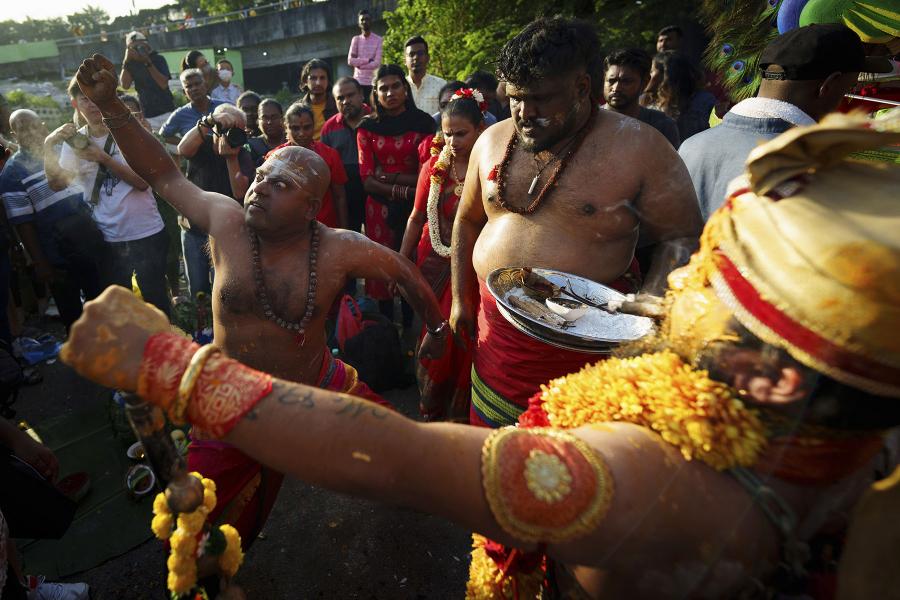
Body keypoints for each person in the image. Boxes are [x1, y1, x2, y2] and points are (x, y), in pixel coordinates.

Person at [61, 114, 900, 598]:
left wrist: (169, 364)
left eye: (705, 290)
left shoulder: (635, 483)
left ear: (775, 374)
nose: (672, 297)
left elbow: (398, 459)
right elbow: (170, 173)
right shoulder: (859, 455)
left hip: (303, 385)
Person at [72, 53, 446, 547]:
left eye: (282, 185)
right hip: (232, 400)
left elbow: (404, 272)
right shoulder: (226, 221)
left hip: (316, 382)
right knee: (196, 538)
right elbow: (164, 174)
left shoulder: (339, 248)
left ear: (312, 207)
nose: (260, 189)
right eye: (262, 176)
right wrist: (111, 105)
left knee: (403, 451)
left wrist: (438, 331)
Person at [449, 17, 701, 428]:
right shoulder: (492, 139)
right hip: (495, 340)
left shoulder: (641, 147)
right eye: (515, 97)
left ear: (582, 87)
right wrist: (461, 300)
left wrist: (648, 317)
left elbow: (682, 238)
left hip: (587, 351)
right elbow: (466, 221)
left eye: (540, 99)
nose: (524, 113)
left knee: (572, 476)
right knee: (493, 460)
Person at [680, 23, 890, 220]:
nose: (849, 96)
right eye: (849, 88)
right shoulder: (810, 168)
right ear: (828, 85)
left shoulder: (691, 147)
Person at [46, 77, 170, 317]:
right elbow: (56, 185)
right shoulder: (75, 141)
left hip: (146, 231)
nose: (91, 104)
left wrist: (103, 158)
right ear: (75, 104)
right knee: (119, 311)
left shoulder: (129, 131)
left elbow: (143, 183)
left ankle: (166, 352)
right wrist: (48, 144)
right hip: (108, 238)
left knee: (156, 305)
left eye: (95, 97)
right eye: (85, 98)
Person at [399, 90, 485, 421]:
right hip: (433, 262)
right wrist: (401, 262)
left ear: (480, 128)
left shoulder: (491, 165)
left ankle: (460, 414)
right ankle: (431, 408)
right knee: (436, 332)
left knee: (464, 339)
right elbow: (416, 217)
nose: (452, 141)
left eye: (461, 133)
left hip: (472, 269)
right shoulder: (433, 168)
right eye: (447, 133)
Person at [0, 110, 101, 331]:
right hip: (57, 255)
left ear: (44, 126)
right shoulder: (12, 173)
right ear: (13, 134)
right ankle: (81, 361)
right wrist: (41, 263)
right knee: (73, 316)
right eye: (22, 128)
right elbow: (23, 224)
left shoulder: (63, 151)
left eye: (33, 125)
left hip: (90, 242)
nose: (29, 131)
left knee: (102, 304)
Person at [357, 64, 436, 322]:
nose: (390, 93)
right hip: (378, 209)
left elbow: (430, 173)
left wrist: (390, 179)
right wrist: (407, 188)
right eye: (383, 89)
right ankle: (388, 325)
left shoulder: (423, 123)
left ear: (405, 89)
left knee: (413, 263)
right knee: (381, 265)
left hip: (417, 208)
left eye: (395, 86)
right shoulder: (367, 127)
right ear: (376, 94)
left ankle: (413, 325)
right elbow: (367, 180)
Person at [176, 102, 255, 298]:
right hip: (194, 230)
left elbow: (240, 193)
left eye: (238, 130)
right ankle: (201, 327)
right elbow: (182, 149)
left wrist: (231, 158)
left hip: (225, 234)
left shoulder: (243, 155)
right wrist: (208, 121)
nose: (231, 135)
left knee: (224, 292)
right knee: (198, 290)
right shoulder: (200, 144)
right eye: (227, 129)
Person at [278, 102, 348, 229]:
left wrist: (343, 230)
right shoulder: (276, 157)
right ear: (285, 127)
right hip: (287, 227)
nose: (301, 133)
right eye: (295, 128)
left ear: (314, 126)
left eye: (306, 127)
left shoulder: (330, 155)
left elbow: (340, 196)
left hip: (325, 226)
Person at [322, 77, 371, 236]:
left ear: (361, 95)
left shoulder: (376, 119)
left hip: (376, 193)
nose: (345, 101)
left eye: (350, 95)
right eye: (340, 98)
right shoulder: (329, 128)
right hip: (345, 197)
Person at [603, 48, 681, 148]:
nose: (616, 88)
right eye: (611, 81)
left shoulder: (662, 126)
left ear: (645, 82)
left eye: (626, 81)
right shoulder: (588, 122)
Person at [643, 51, 717, 142]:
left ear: (665, 75)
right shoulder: (646, 103)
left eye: (651, 71)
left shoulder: (703, 102)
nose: (646, 76)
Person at [119, 31, 175, 131]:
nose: (138, 50)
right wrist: (126, 61)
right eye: (134, 48)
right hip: (148, 114)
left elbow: (163, 84)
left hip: (167, 110)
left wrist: (147, 62)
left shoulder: (158, 59)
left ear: (147, 45)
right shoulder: (131, 64)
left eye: (140, 46)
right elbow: (125, 85)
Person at [404, 36, 446, 115]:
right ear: (405, 61)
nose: (416, 58)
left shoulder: (441, 85)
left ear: (428, 58)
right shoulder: (399, 87)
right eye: (411, 54)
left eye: (420, 53)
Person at [298, 59, 337, 141]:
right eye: (313, 78)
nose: (318, 83)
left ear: (328, 80)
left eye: (322, 78)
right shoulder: (298, 109)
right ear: (305, 81)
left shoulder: (338, 105)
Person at [347, 9, 382, 101]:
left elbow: (377, 63)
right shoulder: (356, 40)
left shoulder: (378, 40)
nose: (364, 21)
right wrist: (367, 60)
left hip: (372, 83)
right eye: (362, 19)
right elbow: (350, 61)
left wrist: (359, 64)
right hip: (358, 83)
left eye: (367, 19)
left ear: (371, 21)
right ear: (359, 23)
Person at [246, 99, 285, 167]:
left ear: (282, 118)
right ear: (258, 121)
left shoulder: (293, 141)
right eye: (265, 118)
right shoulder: (251, 145)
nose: (269, 122)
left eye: (274, 117)